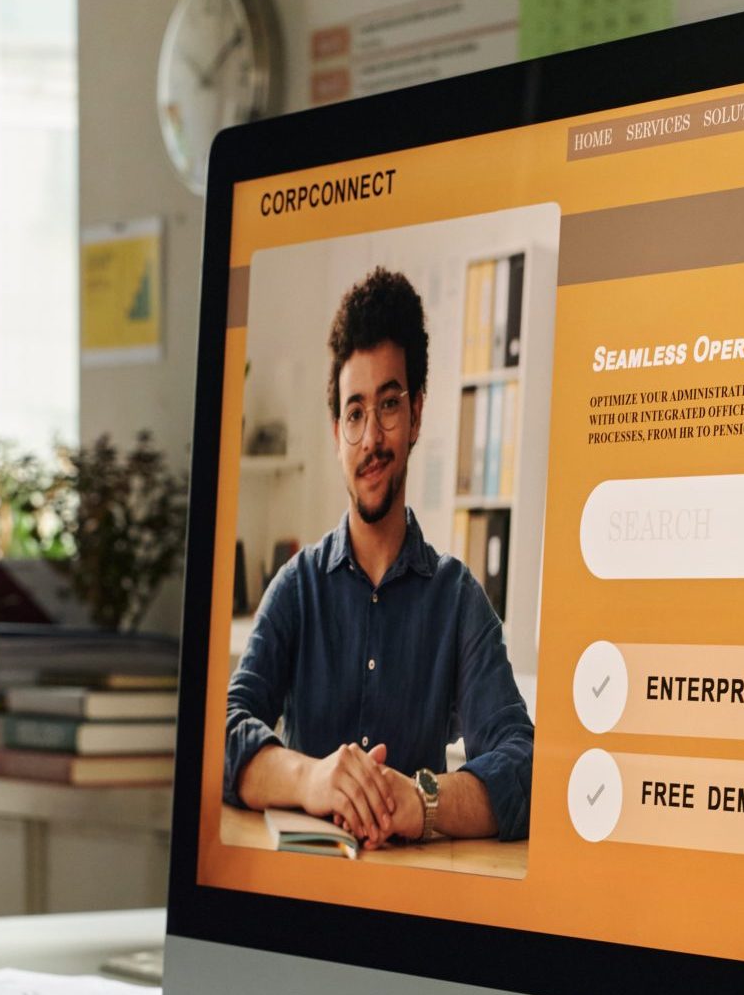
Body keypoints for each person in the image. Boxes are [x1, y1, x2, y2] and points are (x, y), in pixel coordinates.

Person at [225, 265, 533, 848]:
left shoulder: (457, 600)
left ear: (416, 414)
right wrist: (313, 777)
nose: (371, 439)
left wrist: (420, 802)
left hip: (410, 907)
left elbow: (525, 763)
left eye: (388, 406)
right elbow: (222, 733)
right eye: (355, 412)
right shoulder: (297, 589)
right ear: (336, 428)